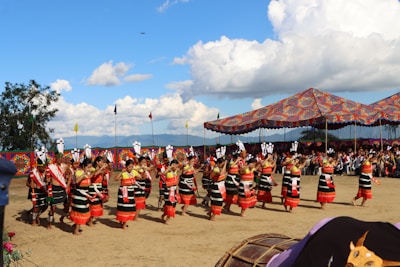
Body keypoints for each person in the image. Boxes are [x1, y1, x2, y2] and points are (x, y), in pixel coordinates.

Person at [70, 158, 93, 235]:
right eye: (88, 167)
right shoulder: (79, 172)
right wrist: (84, 174)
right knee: (80, 212)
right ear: (83, 166)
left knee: (84, 211)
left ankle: (76, 226)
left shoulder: (88, 173)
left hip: (85, 194)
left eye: (90, 167)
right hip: (79, 194)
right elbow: (76, 181)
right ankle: (76, 230)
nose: (89, 169)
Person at [46, 151, 68, 229]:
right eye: (58, 158)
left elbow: (70, 173)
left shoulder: (65, 166)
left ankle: (62, 218)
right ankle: (49, 223)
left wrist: (68, 184)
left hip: (62, 188)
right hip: (53, 189)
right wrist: (47, 180)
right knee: (53, 208)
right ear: (55, 158)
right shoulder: (51, 167)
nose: (59, 159)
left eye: (61, 158)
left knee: (66, 205)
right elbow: (47, 178)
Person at [115, 159, 137, 229]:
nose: (131, 168)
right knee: (123, 207)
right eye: (129, 167)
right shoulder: (124, 173)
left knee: (128, 207)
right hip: (123, 192)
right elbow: (116, 179)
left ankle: (123, 222)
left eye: (132, 166)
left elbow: (141, 176)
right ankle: (123, 224)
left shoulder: (134, 172)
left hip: (130, 192)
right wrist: (121, 172)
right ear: (126, 167)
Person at [26, 157, 48, 226]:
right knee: (36, 207)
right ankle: (33, 221)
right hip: (35, 192)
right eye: (43, 167)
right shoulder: (33, 173)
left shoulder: (46, 172)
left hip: (43, 191)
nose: (44, 168)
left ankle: (37, 215)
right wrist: (32, 186)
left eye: (45, 166)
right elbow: (27, 183)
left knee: (45, 205)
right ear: (38, 167)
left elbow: (47, 181)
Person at [88, 155, 108, 226]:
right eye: (101, 162)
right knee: (93, 205)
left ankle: (90, 220)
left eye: (103, 162)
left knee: (98, 205)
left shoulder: (101, 170)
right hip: (93, 189)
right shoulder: (92, 169)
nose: (102, 163)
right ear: (97, 162)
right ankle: (90, 221)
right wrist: (102, 168)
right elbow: (94, 175)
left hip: (98, 188)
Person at [161, 159, 179, 224]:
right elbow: (163, 173)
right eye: (174, 165)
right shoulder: (168, 171)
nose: (176, 167)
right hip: (168, 191)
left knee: (173, 205)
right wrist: (169, 167)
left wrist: (177, 188)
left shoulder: (176, 171)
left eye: (176, 165)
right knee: (169, 205)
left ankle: (163, 215)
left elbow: (176, 180)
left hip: (174, 190)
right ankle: (167, 219)